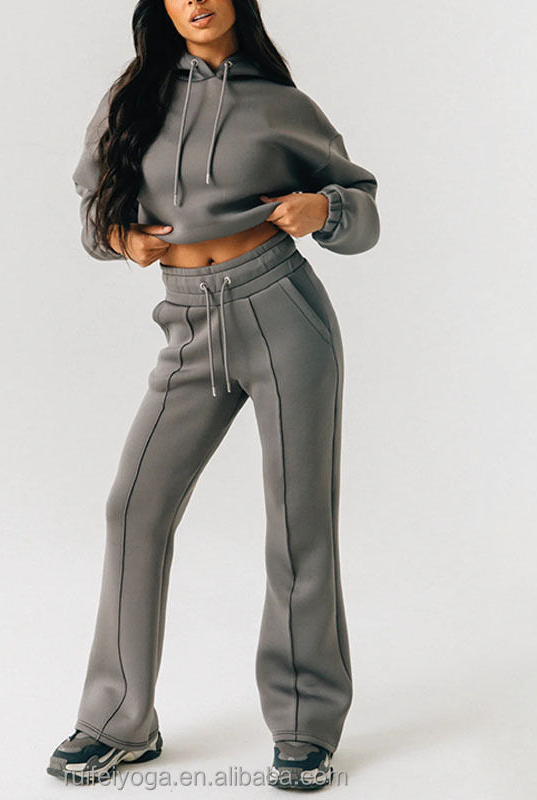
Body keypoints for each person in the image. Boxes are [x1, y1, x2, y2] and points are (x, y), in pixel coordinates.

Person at [47, 0, 380, 790]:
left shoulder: (280, 104)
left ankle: (305, 728)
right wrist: (120, 236)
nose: (196, 1)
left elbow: (363, 210)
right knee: (135, 506)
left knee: (298, 519)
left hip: (282, 312)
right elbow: (94, 206)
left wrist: (324, 208)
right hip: (187, 322)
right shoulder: (133, 100)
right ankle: (119, 720)